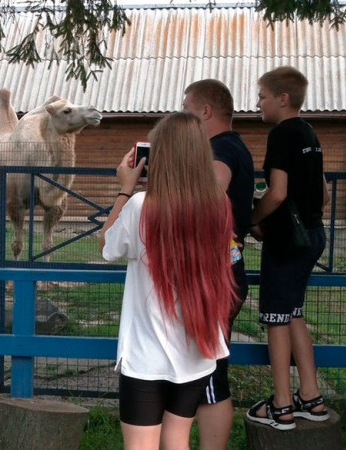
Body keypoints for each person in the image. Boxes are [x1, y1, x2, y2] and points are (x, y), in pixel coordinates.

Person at [100, 112, 238, 450]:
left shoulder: (140, 206)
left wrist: (125, 188)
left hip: (146, 358)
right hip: (197, 351)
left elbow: (107, 245)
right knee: (177, 442)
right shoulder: (218, 204)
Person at [246, 66, 331, 430]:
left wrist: (253, 218)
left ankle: (281, 405)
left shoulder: (281, 134)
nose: (259, 103)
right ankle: (311, 397)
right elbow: (324, 194)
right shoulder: (311, 132)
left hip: (285, 243)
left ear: (282, 99)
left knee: (276, 319)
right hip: (313, 235)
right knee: (294, 312)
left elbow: (277, 193)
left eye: (262, 97)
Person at [182, 79, 254, 447]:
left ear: (205, 111)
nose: (184, 118)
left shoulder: (221, 148)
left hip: (216, 275)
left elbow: (209, 193)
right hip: (222, 271)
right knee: (204, 370)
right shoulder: (233, 146)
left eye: (187, 110)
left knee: (209, 375)